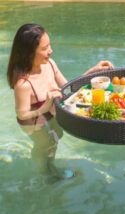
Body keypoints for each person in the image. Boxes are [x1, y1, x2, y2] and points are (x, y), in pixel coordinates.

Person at [7, 23, 113, 181]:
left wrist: (92, 71)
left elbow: (68, 88)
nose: (50, 51)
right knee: (44, 144)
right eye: (44, 48)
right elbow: (21, 114)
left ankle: (51, 166)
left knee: (57, 136)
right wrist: (44, 107)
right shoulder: (23, 84)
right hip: (33, 119)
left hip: (49, 111)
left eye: (49, 45)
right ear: (29, 52)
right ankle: (43, 173)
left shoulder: (50, 64)